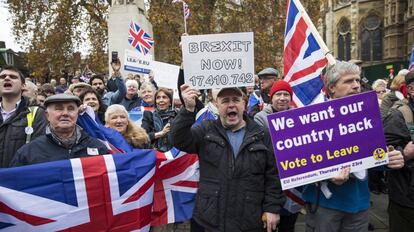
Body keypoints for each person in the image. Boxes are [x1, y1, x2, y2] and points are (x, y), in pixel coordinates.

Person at [302, 61, 405, 232]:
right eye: (349, 81)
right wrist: (326, 174)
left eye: (357, 80)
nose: (356, 85)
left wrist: (391, 158)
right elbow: (298, 166)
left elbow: (374, 157)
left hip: (359, 205)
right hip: (326, 206)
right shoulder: (311, 118)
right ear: (332, 87)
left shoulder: (367, 114)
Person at [172, 84, 285, 231]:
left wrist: (272, 208)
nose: (231, 104)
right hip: (211, 219)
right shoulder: (206, 130)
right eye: (225, 101)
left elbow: (274, 175)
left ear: (243, 103)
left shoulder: (262, 134)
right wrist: (187, 110)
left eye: (236, 100)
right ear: (217, 105)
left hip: (250, 220)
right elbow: (179, 140)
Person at [10, 94, 109, 166]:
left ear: (77, 114)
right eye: (59, 109)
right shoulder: (28, 153)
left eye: (70, 109)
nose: (65, 113)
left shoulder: (98, 147)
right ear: (47, 115)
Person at [383, 70, 414, 232]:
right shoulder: (398, 116)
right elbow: (382, 155)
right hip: (406, 200)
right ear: (411, 89)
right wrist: (404, 154)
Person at [0, 65, 47, 168]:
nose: (7, 78)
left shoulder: (37, 114)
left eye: (13, 77)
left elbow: (37, 152)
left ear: (23, 86)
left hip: (18, 180)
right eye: (3, 77)